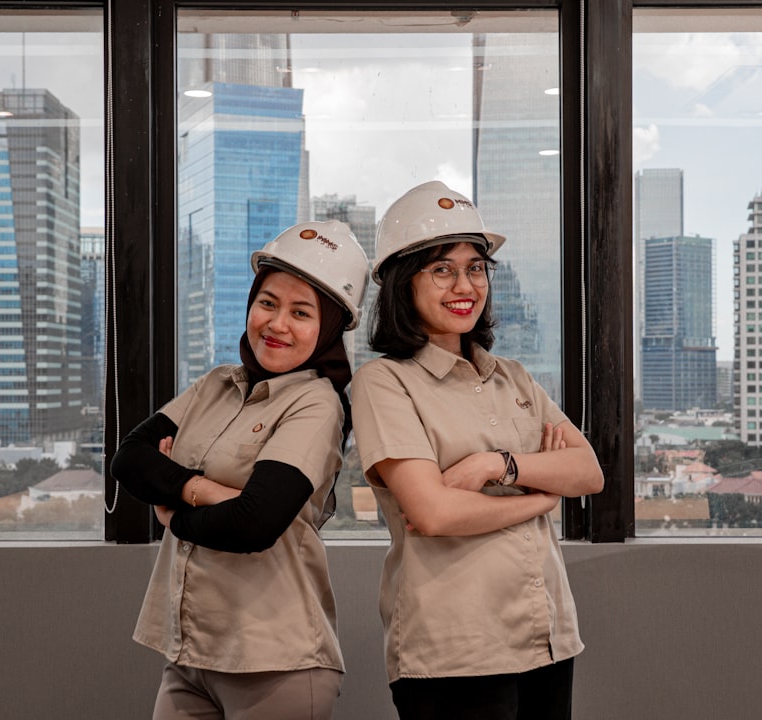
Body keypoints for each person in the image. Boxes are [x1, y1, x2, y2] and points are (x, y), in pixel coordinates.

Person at [350, 181, 605, 719]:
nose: (464, 285)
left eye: (476, 268)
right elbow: (434, 513)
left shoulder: (513, 376)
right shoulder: (384, 383)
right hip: (456, 649)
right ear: (402, 283)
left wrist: (498, 465)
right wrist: (540, 497)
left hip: (547, 635)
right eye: (442, 269)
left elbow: (587, 472)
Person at [110, 219, 369, 720]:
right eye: (267, 303)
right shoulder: (215, 385)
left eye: (301, 312)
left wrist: (172, 511)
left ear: (330, 329)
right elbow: (130, 459)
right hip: (190, 653)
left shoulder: (316, 404)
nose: (277, 324)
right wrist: (203, 490)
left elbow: (254, 523)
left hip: (275, 660)